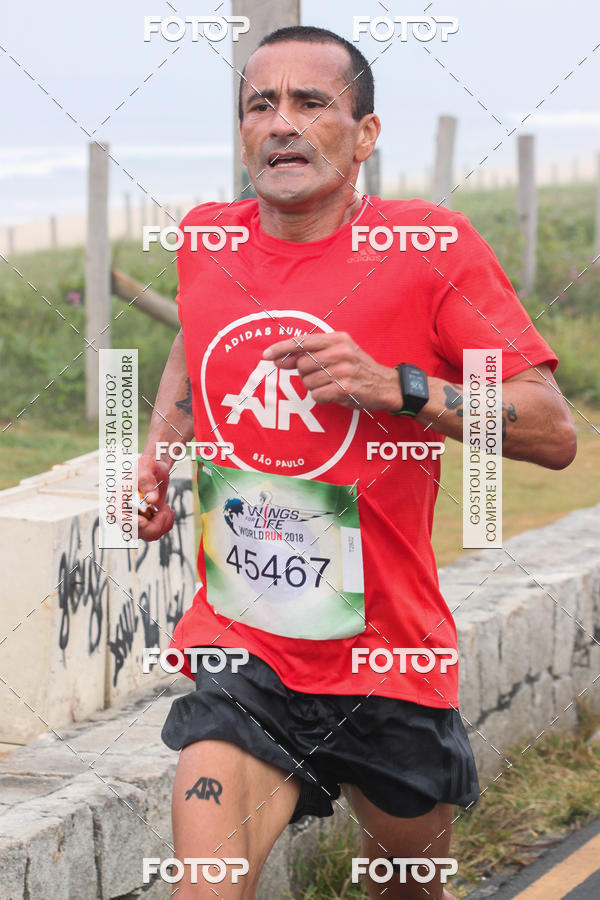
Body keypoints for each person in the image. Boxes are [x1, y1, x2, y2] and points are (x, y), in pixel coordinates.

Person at [138, 25, 576, 900]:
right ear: (242, 132)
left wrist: (400, 388)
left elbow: (551, 430)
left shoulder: (433, 251)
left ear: (365, 134)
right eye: (261, 104)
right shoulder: (206, 239)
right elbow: (195, 335)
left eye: (312, 103)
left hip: (387, 655)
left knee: (405, 889)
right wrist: (162, 445)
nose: (282, 123)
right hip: (244, 647)